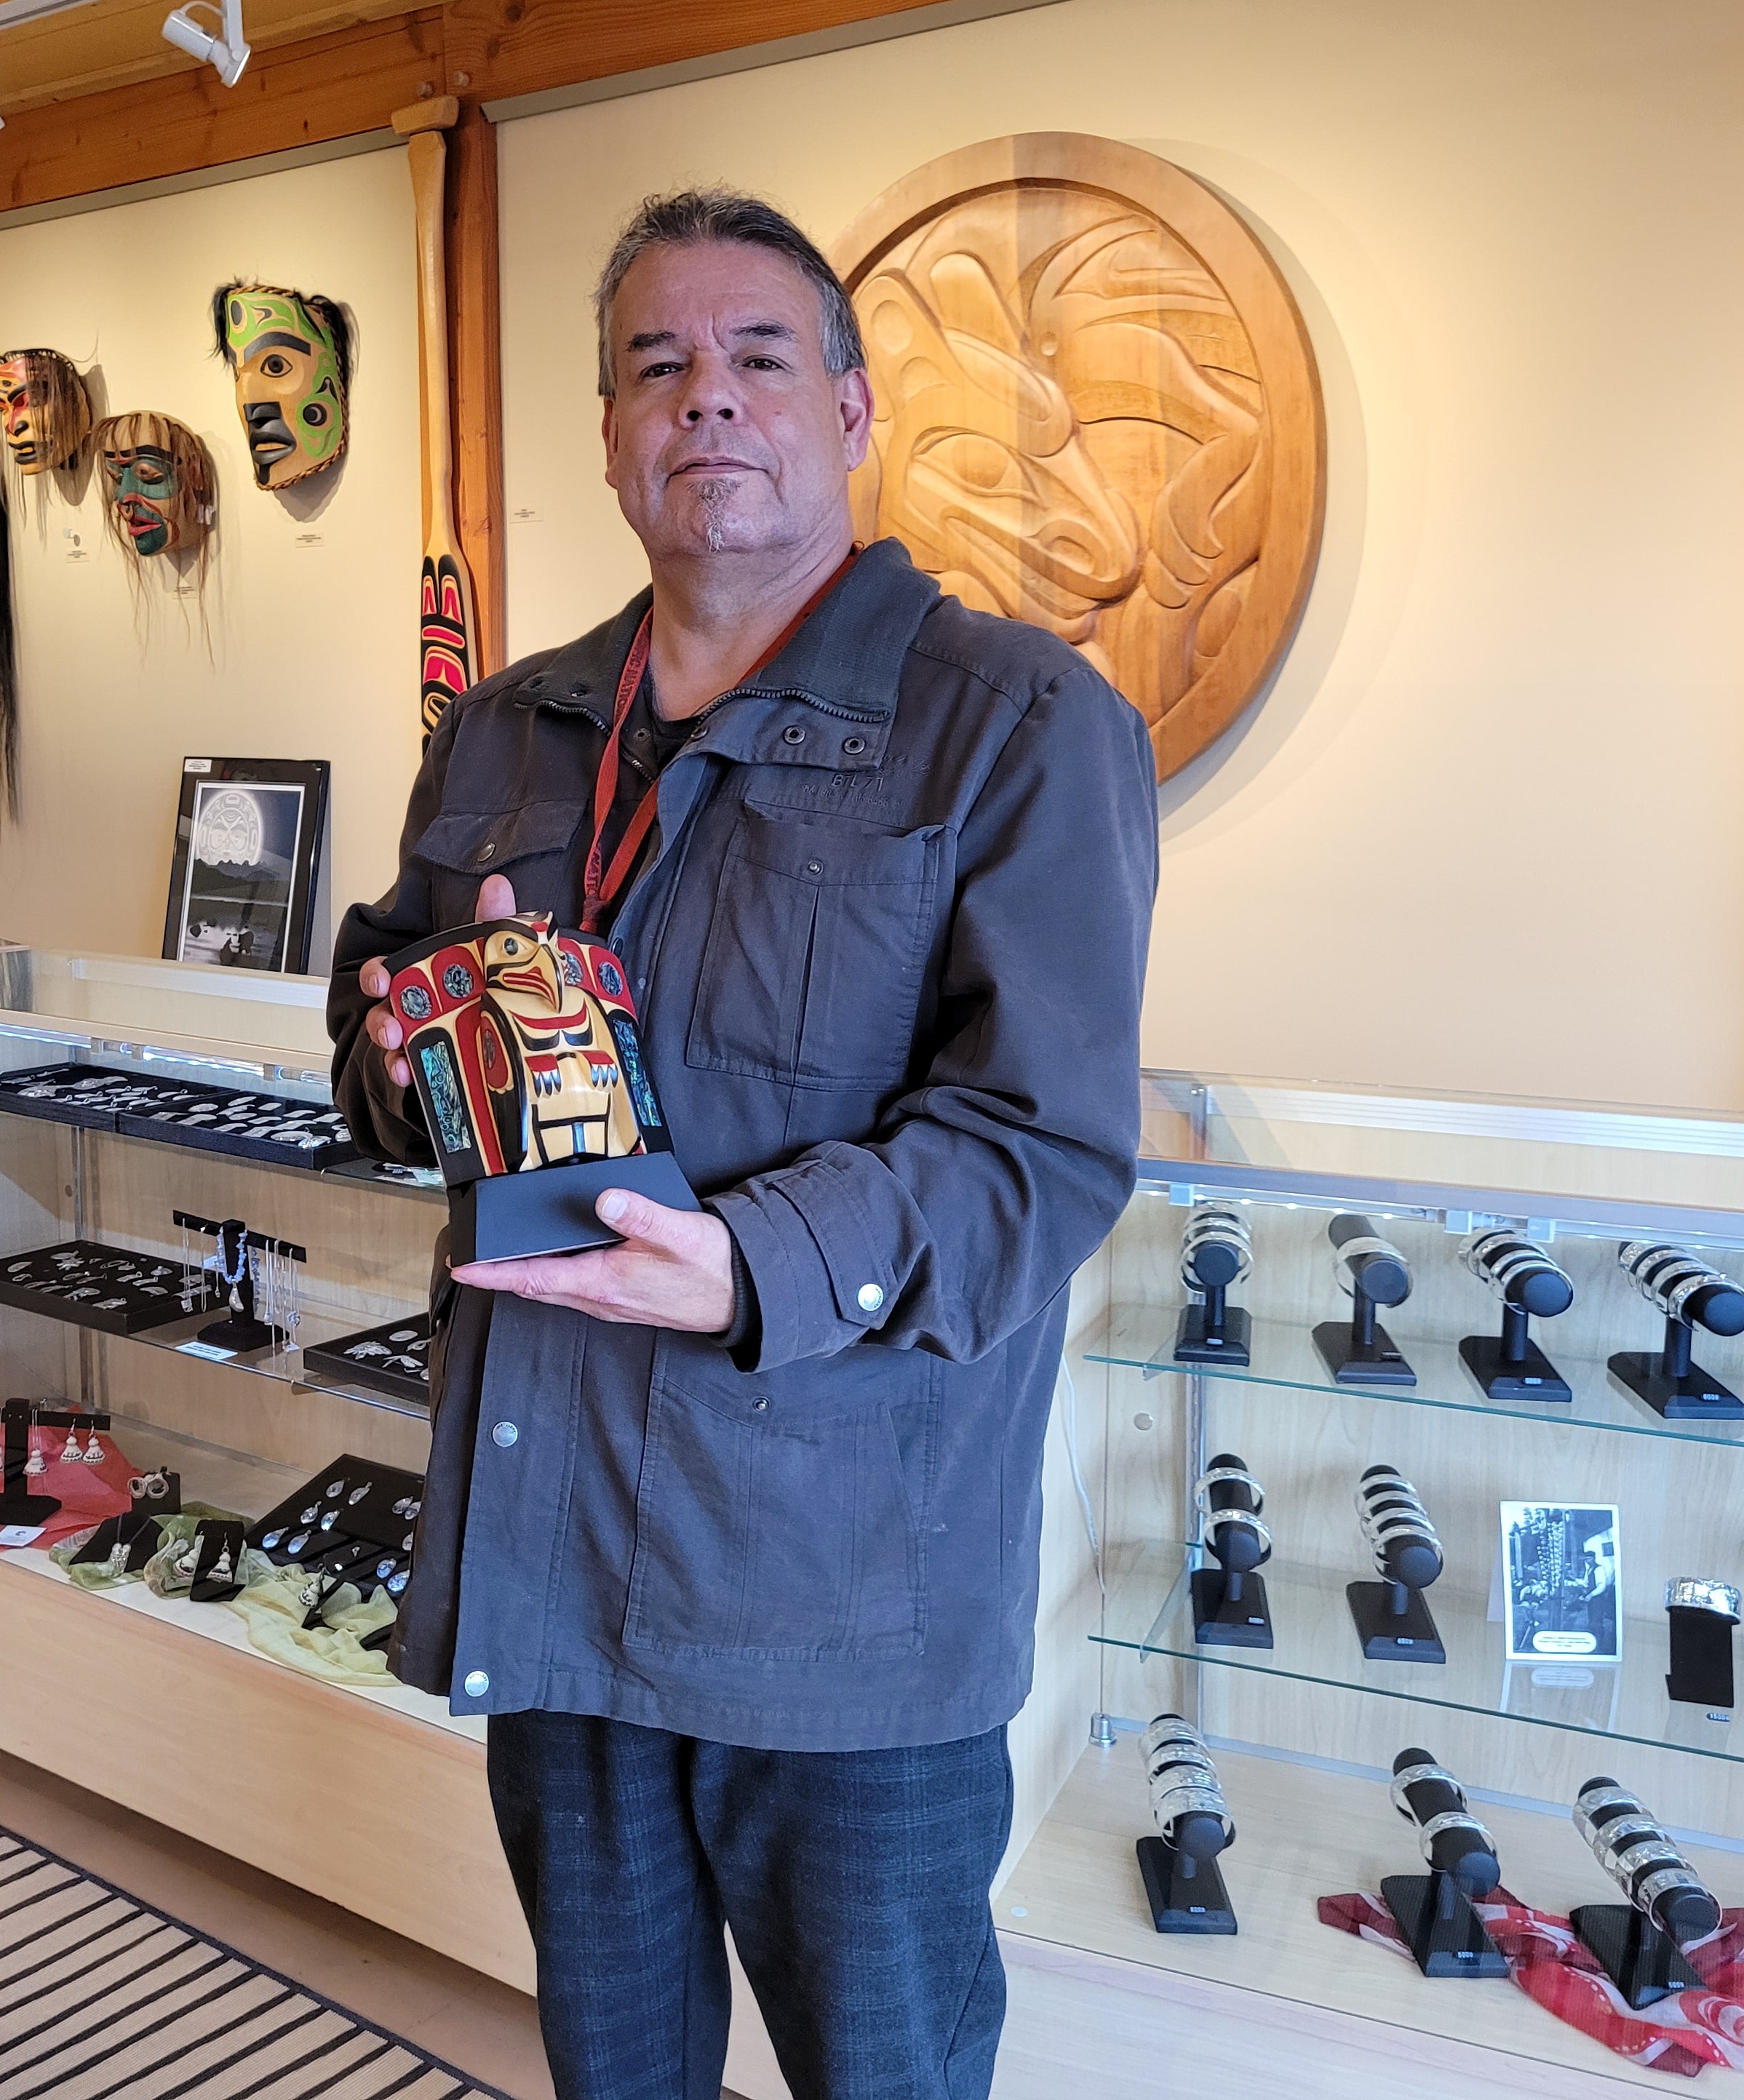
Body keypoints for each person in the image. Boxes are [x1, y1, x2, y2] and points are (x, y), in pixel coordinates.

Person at [327, 189, 1158, 2100]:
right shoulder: (510, 732)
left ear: (853, 417)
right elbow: (388, 1008)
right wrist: (394, 1053)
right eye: (658, 365)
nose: (708, 401)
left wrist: (753, 1262)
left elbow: (1040, 1149)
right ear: (613, 432)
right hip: (554, 1560)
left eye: (760, 358)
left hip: (842, 1618)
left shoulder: (1013, 724)